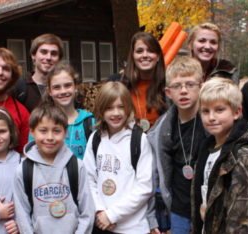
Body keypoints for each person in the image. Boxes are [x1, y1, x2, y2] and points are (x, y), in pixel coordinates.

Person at [190, 78, 248, 233]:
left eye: (219, 110)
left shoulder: (247, 155)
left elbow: (245, 218)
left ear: (237, 112)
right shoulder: (207, 148)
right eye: (205, 111)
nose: (211, 117)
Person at [83, 81, 155, 233]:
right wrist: (100, 211)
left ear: (128, 108)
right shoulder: (95, 139)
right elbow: (88, 179)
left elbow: (145, 187)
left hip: (132, 228)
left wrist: (112, 215)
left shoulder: (138, 140)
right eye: (109, 108)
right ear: (101, 110)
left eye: (121, 107)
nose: (115, 113)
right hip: (102, 224)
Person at [13, 103, 95, 233]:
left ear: (65, 133)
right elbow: (22, 215)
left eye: (56, 131)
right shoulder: (23, 170)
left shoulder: (76, 166)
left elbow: (87, 211)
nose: (50, 137)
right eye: (43, 131)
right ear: (32, 132)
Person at [147, 56, 206, 234]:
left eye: (190, 84)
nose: (183, 91)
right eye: (177, 86)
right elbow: (153, 175)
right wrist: (151, 216)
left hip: (209, 205)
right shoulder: (161, 130)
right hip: (179, 208)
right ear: (167, 92)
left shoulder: (212, 123)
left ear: (201, 87)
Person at [29, 61, 95, 159]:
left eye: (67, 85)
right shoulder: (40, 123)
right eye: (56, 87)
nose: (63, 91)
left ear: (75, 87)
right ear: (49, 91)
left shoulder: (90, 122)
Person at [110, 31, 167, 131]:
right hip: (125, 142)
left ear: (158, 57)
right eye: (139, 51)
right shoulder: (117, 82)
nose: (145, 55)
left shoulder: (168, 85)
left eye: (150, 51)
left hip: (158, 144)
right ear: (132, 56)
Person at [12, 33, 63, 112]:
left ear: (59, 59)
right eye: (44, 52)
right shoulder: (19, 87)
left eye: (54, 53)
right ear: (33, 55)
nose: (48, 57)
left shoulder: (65, 88)